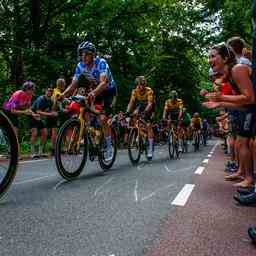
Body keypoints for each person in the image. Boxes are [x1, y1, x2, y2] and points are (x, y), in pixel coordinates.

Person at [203, 43, 255, 188]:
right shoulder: (231, 75)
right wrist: (220, 104)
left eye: (213, 56)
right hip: (249, 110)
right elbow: (244, 105)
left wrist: (221, 99)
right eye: (208, 57)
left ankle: (249, 178)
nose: (209, 60)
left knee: (245, 142)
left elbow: (250, 98)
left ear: (225, 58)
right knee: (242, 142)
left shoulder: (237, 70)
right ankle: (247, 176)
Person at [62, 41, 117, 161]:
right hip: (94, 90)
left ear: (93, 54)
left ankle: (109, 146)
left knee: (102, 119)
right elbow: (73, 85)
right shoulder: (80, 66)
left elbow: (103, 82)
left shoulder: (101, 62)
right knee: (83, 109)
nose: (83, 56)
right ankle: (91, 134)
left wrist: (92, 93)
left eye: (86, 54)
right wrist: (63, 95)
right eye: (81, 54)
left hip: (107, 91)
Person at [126, 76, 155, 159]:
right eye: (139, 85)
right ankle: (139, 133)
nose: (141, 86)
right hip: (141, 105)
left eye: (142, 84)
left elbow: (150, 104)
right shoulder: (135, 91)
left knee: (148, 125)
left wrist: (145, 112)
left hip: (150, 106)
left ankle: (150, 147)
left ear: (145, 84)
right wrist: (127, 112)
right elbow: (131, 102)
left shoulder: (149, 90)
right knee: (134, 113)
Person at [30, 86, 58, 157]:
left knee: (45, 133)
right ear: (45, 91)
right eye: (48, 91)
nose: (50, 92)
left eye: (51, 91)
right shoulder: (41, 99)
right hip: (33, 116)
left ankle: (40, 151)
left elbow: (51, 109)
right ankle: (32, 152)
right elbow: (38, 111)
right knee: (34, 133)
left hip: (40, 118)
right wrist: (50, 114)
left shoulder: (50, 100)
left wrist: (54, 112)